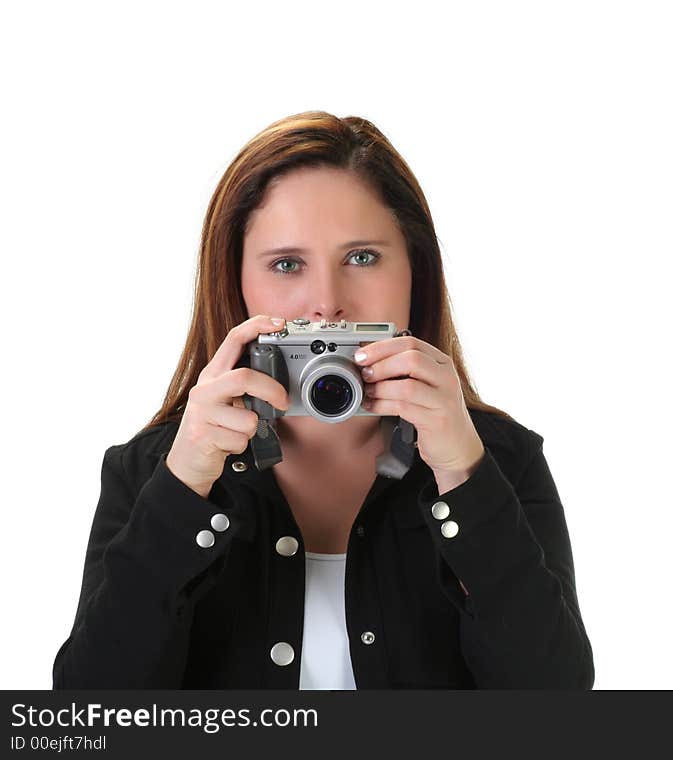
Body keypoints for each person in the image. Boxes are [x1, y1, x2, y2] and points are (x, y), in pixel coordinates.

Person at [52, 111, 595, 689]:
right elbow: (92, 715)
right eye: (287, 265)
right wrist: (183, 485)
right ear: (235, 282)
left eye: (362, 257)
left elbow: (555, 700)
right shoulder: (151, 469)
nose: (325, 304)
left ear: (416, 270)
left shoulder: (500, 462)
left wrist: (465, 476)